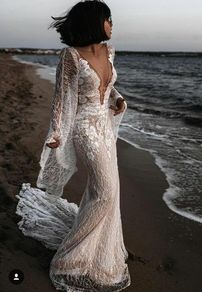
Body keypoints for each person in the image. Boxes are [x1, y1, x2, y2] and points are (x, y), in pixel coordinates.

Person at [15, 0, 131, 291]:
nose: (112, 24)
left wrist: (117, 99)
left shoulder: (108, 51)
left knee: (106, 189)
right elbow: (61, 97)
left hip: (104, 125)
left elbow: (107, 83)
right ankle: (70, 259)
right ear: (95, 21)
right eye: (108, 18)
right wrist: (56, 133)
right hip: (84, 128)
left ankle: (100, 253)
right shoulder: (70, 56)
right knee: (105, 191)